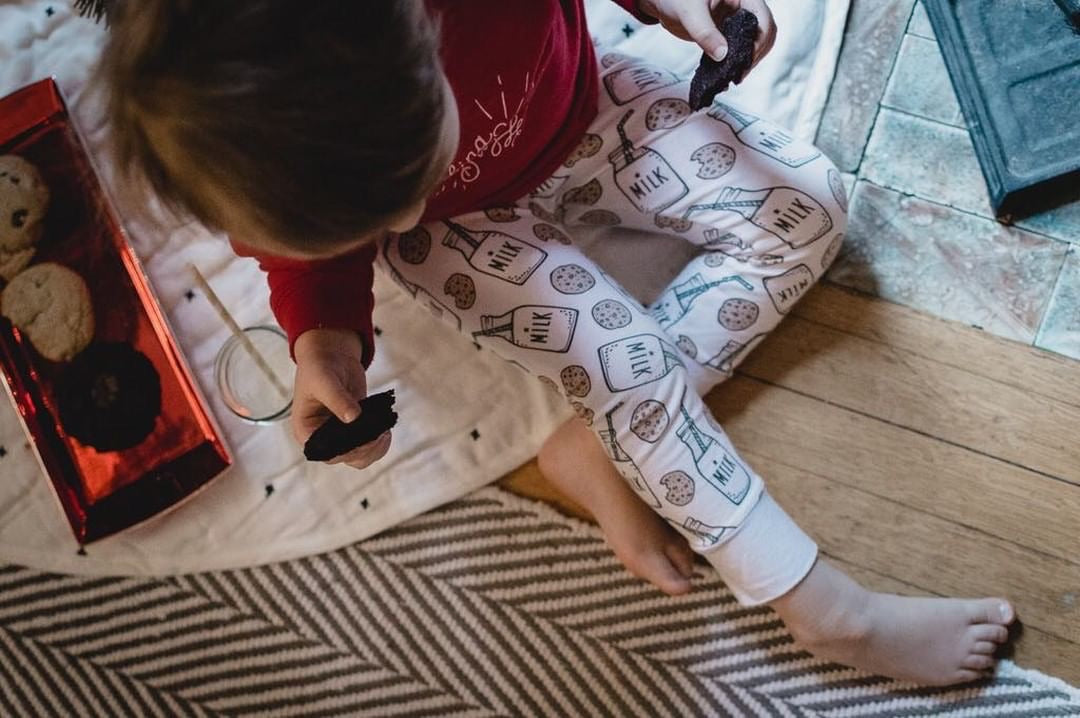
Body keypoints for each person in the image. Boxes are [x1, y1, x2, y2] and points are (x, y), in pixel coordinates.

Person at [96, 0, 1015, 686]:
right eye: (372, 217)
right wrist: (323, 343)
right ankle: (826, 612)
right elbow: (306, 259)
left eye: (401, 182)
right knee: (622, 359)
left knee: (808, 206)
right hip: (463, 236)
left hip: (583, 105)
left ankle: (599, 438)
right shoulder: (280, 160)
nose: (399, 214)